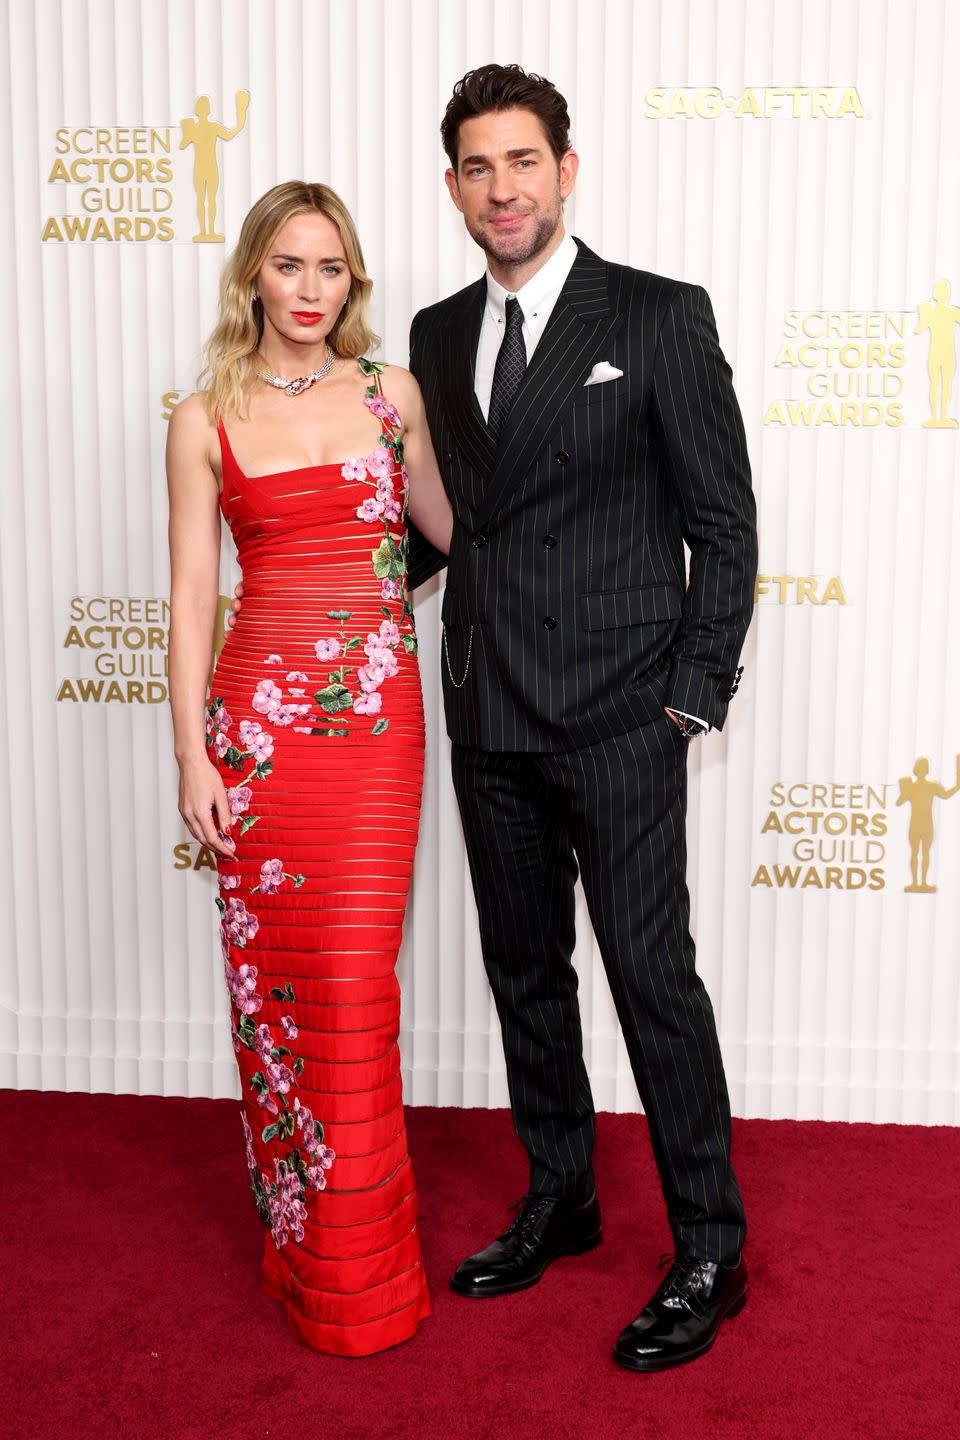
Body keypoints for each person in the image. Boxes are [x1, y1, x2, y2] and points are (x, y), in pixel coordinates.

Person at [405, 64, 758, 1373]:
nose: (504, 189)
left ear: (567, 169)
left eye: (524, 162)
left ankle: (710, 1246)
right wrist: (332, 589)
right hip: (490, 708)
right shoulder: (441, 335)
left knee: (652, 979)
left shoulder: (659, 315)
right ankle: (561, 1194)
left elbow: (723, 524)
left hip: (621, 716)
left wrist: (690, 694)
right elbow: (452, 529)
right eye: (478, 169)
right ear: (453, 188)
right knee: (523, 975)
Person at [166, 180, 451, 1355]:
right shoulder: (201, 415)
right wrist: (193, 754)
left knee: (352, 989)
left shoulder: (394, 396)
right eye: (288, 266)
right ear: (252, 277)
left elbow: (447, 531)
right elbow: (190, 599)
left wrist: (369, 622)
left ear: (353, 282)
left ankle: (366, 1275)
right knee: (280, 1003)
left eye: (330, 269)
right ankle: (311, 1257)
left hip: (374, 734)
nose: (309, 289)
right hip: (258, 737)